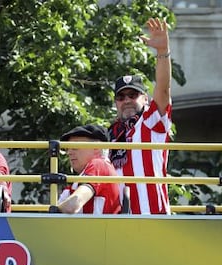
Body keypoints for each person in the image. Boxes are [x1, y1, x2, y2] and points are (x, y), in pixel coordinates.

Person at [109, 17, 172, 215]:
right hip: (117, 221)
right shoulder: (111, 133)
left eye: (133, 95)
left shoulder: (151, 121)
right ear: (115, 102)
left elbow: (162, 90)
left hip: (152, 216)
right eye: (121, 96)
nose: (126, 100)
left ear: (145, 99)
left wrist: (162, 52)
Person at [53, 124, 121, 214]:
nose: (69, 152)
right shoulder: (87, 173)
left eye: (75, 146)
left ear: (97, 147)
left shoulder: (99, 164)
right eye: (67, 148)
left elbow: (72, 205)